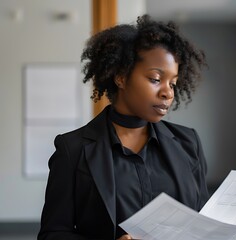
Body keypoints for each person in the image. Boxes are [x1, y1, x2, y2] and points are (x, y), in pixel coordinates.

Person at [38, 15, 209, 240]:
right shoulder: (73, 150)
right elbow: (53, 234)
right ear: (121, 77)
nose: (168, 92)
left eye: (173, 83)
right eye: (156, 79)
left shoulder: (189, 143)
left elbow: (203, 221)